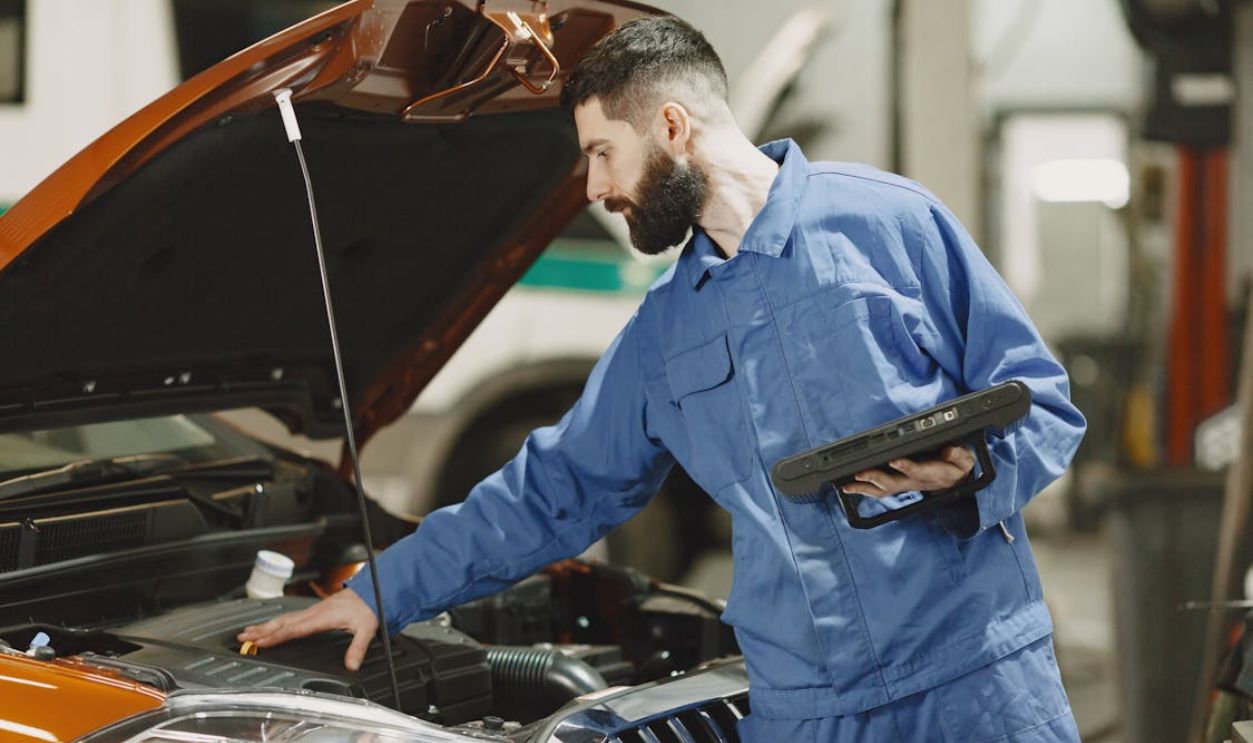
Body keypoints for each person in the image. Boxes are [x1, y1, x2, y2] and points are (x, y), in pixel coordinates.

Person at [239, 15, 1087, 742]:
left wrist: (970, 468)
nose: (597, 185)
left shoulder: (888, 223)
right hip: (812, 707)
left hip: (974, 676)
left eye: (604, 152)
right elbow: (554, 490)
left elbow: (1039, 401)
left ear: (672, 127)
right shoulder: (663, 333)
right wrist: (381, 591)